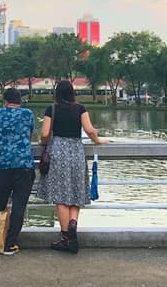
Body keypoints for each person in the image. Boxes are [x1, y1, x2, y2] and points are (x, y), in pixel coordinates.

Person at [37, 79, 108, 254]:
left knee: (60, 197)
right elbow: (90, 130)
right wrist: (98, 141)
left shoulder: (51, 109)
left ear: (57, 93)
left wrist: (44, 143)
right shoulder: (80, 109)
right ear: (72, 93)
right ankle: (73, 224)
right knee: (75, 192)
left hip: (58, 152)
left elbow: (45, 133)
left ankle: (65, 238)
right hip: (76, 151)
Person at [0, 87, 35, 255]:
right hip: (23, 164)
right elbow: (29, 135)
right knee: (19, 205)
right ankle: (10, 244)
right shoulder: (27, 114)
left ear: (5, 101)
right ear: (19, 101)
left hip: (3, 164)